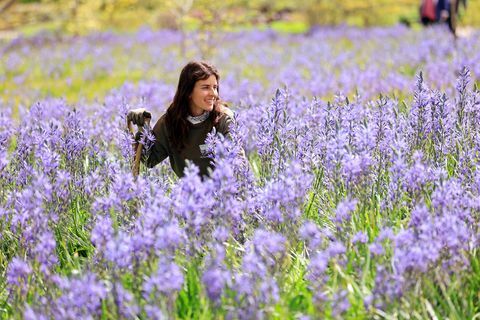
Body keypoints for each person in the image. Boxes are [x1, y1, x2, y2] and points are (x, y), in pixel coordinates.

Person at [127, 61, 235, 178]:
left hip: (221, 192)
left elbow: (238, 164)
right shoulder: (170, 122)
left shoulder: (223, 119)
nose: (214, 93)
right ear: (188, 91)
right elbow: (149, 160)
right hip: (188, 193)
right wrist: (143, 129)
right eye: (205, 87)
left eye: (215, 87)